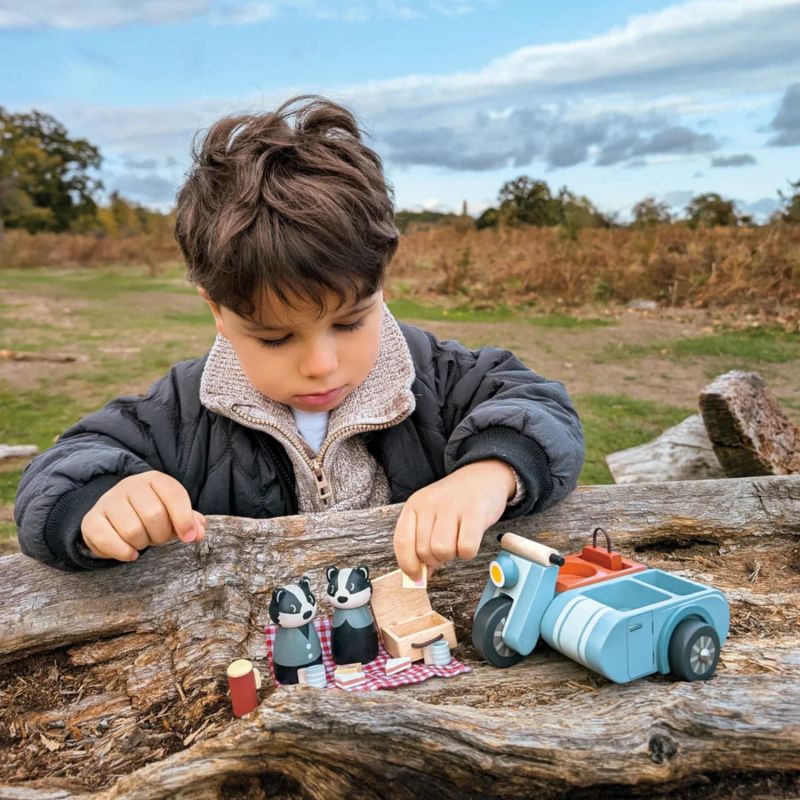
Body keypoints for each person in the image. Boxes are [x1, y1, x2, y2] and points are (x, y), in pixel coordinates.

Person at [14, 95, 584, 575]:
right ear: (217, 311)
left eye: (349, 322)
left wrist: (492, 472)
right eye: (274, 338)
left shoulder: (435, 375)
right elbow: (61, 468)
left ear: (380, 286)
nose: (320, 363)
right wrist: (98, 504)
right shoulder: (186, 410)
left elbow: (541, 407)